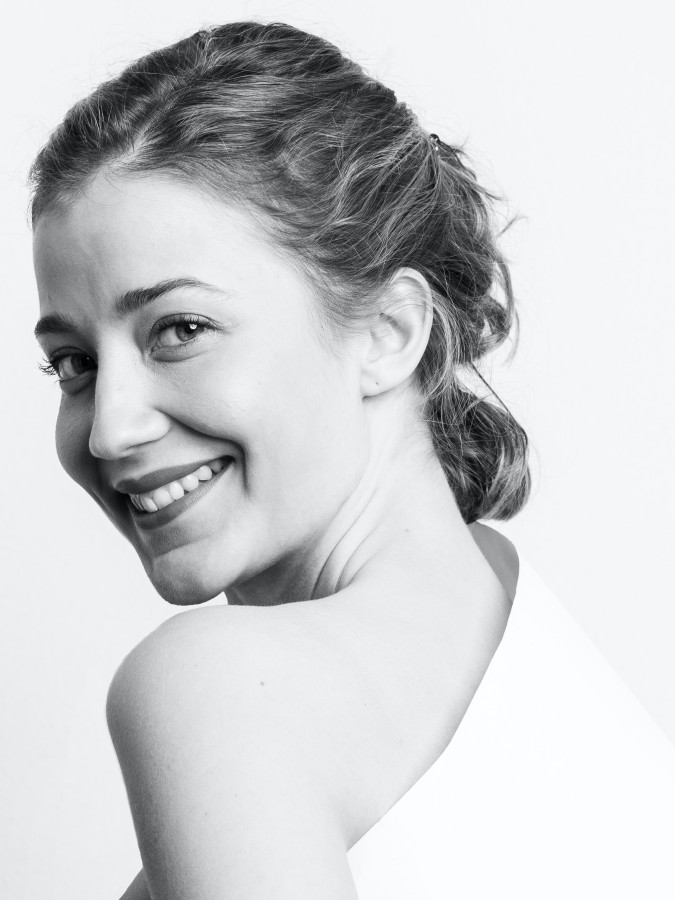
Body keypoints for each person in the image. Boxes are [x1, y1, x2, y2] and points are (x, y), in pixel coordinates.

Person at [29, 20, 675, 900]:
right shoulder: (507, 614)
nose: (109, 429)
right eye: (74, 363)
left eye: (180, 329)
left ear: (388, 331)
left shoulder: (220, 691)